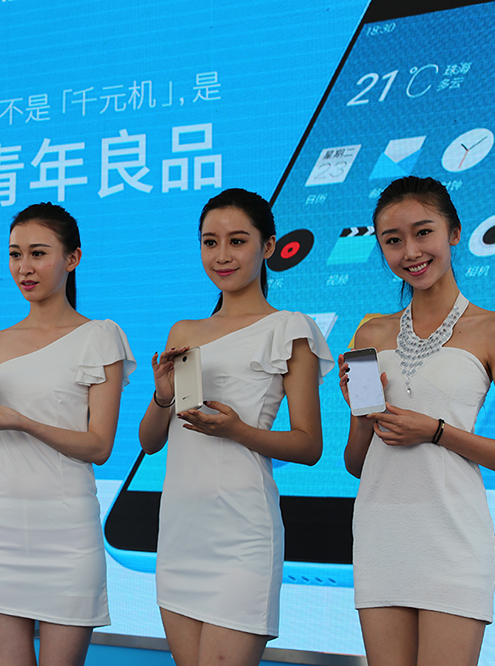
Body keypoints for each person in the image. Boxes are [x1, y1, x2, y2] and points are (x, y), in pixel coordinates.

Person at [138, 189, 333, 666]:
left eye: (238, 241)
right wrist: (163, 395)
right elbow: (150, 441)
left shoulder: (290, 328)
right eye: (210, 242)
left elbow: (309, 446)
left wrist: (238, 431)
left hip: (243, 532)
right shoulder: (185, 331)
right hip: (181, 530)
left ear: (268, 246)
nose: (222, 255)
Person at [0, 202, 135, 666]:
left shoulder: (100, 336)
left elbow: (99, 446)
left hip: (66, 533)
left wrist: (23, 422)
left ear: (73, 258)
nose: (24, 267)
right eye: (15, 254)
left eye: (38, 253)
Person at [340, 176, 495, 666]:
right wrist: (361, 415)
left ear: (453, 232)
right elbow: (357, 464)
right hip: (381, 535)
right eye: (393, 240)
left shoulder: (494, 329)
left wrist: (435, 432)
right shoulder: (371, 333)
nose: (410, 252)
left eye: (423, 232)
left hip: (453, 538)